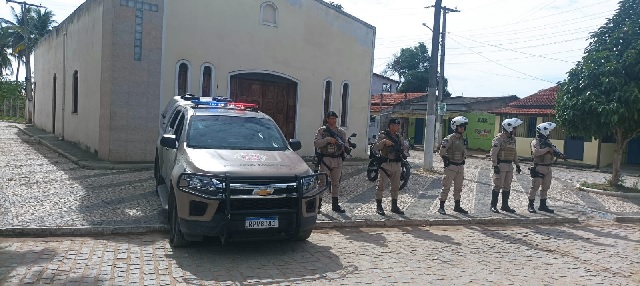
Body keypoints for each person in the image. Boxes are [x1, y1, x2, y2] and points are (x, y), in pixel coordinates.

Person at [314, 111, 347, 213]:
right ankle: (318, 205)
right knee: (322, 182)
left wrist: (344, 147)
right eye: (332, 118)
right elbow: (316, 143)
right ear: (327, 119)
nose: (334, 120)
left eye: (335, 118)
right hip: (326, 159)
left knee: (336, 183)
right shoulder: (322, 131)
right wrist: (327, 140)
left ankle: (335, 205)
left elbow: (345, 144)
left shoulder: (341, 132)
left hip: (337, 159)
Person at [373, 118, 407, 216]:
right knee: (380, 186)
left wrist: (404, 152)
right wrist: (384, 142)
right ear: (391, 126)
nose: (398, 127)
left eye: (398, 125)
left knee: (395, 187)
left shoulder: (399, 137)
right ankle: (379, 206)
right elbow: (375, 148)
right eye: (397, 125)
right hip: (385, 164)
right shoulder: (383, 136)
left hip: (396, 164)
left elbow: (404, 148)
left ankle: (394, 206)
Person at [490, 118, 524, 213]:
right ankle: (493, 206)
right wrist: (495, 165)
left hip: (509, 165)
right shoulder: (499, 139)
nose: (515, 130)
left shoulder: (513, 139)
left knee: (507, 186)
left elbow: (514, 152)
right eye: (514, 128)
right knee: (498, 185)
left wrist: (517, 164)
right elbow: (493, 153)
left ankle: (505, 206)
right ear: (509, 128)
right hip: (501, 165)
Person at [438, 116, 469, 215]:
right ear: (455, 127)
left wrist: (463, 158)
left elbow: (464, 151)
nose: (463, 128)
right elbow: (442, 151)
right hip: (451, 166)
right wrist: (445, 159)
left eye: (464, 126)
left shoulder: (462, 139)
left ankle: (457, 206)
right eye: (461, 126)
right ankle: (441, 207)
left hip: (460, 166)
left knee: (458, 188)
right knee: (446, 187)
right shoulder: (449, 138)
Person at [528, 122, 558, 213]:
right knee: (535, 187)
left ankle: (543, 205)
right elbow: (536, 152)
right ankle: (531, 205)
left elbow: (552, 151)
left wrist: (555, 152)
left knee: (545, 188)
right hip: (539, 167)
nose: (548, 133)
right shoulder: (535, 142)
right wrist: (547, 149)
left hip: (548, 167)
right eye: (547, 131)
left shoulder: (548, 142)